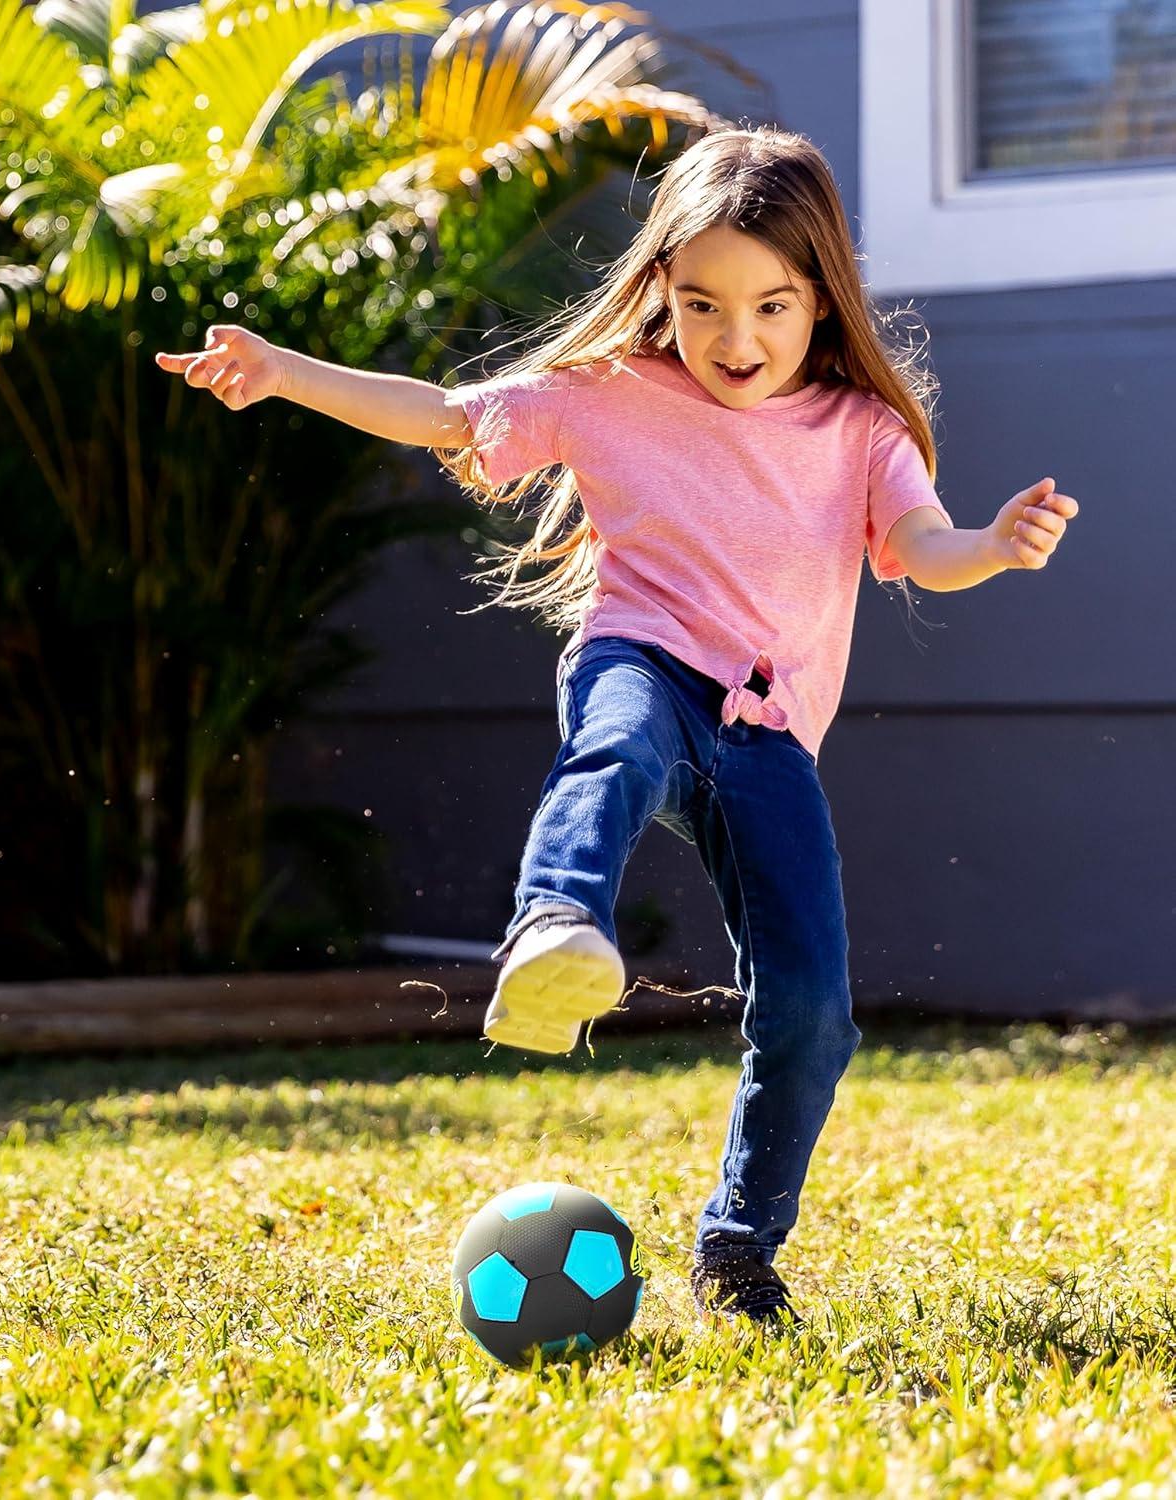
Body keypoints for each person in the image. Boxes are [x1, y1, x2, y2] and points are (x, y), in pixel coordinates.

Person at [155, 125, 1079, 1328]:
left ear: (822, 298)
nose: (735, 340)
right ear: (661, 287)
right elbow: (445, 415)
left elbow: (922, 546)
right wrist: (287, 372)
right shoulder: (610, 394)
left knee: (812, 1013)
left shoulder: (861, 431)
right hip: (640, 659)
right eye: (701, 306)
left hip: (769, 735)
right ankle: (555, 923)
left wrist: (993, 547)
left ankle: (740, 1247)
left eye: (771, 306)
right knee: (616, 747)